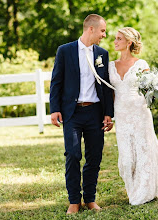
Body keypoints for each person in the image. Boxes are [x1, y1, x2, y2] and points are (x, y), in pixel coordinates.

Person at [49, 14, 114, 214]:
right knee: (73, 155)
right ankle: (74, 201)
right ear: (91, 29)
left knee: (94, 157)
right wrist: (54, 109)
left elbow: (106, 86)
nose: (104, 35)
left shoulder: (102, 53)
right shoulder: (65, 51)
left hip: (95, 112)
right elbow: (56, 81)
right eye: (102, 31)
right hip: (72, 113)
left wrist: (108, 113)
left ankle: (90, 199)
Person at [109, 27, 158, 205]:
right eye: (115, 38)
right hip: (122, 115)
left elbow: (149, 90)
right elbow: (109, 93)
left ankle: (144, 192)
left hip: (140, 113)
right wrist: (108, 115)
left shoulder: (141, 64)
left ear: (129, 42)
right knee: (126, 160)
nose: (115, 41)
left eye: (119, 39)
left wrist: (157, 91)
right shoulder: (110, 66)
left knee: (143, 153)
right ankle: (133, 189)